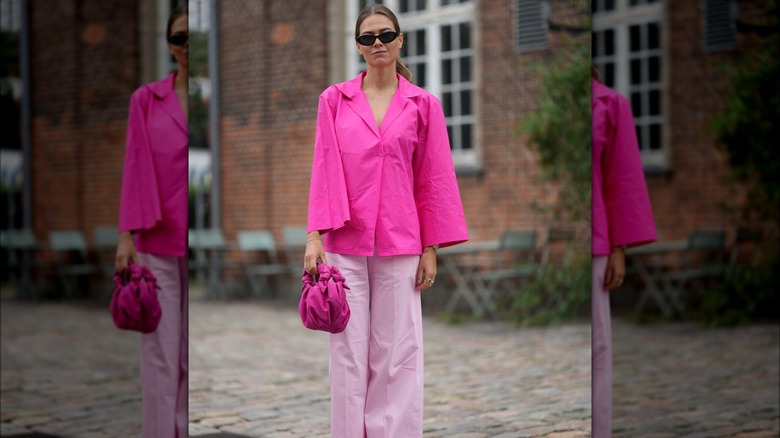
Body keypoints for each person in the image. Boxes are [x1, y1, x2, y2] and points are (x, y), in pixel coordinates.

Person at [304, 4, 469, 436]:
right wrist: (314, 236)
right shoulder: (333, 100)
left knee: (397, 354)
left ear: (399, 39)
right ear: (358, 47)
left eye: (384, 35)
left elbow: (433, 177)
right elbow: (324, 167)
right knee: (348, 353)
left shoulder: (423, 105)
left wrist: (431, 248)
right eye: (366, 38)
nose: (376, 43)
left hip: (401, 242)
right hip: (345, 241)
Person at [115, 6, 188, 437]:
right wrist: (126, 236)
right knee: (162, 352)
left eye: (192, 37)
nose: (186, 46)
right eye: (179, 38)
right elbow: (135, 166)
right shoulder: (146, 99)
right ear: (168, 45)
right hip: (157, 239)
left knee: (189, 354)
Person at [591, 68, 657, 437]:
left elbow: (621, 178)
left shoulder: (611, 104)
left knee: (597, 347)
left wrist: (619, 246)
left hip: (599, 239)